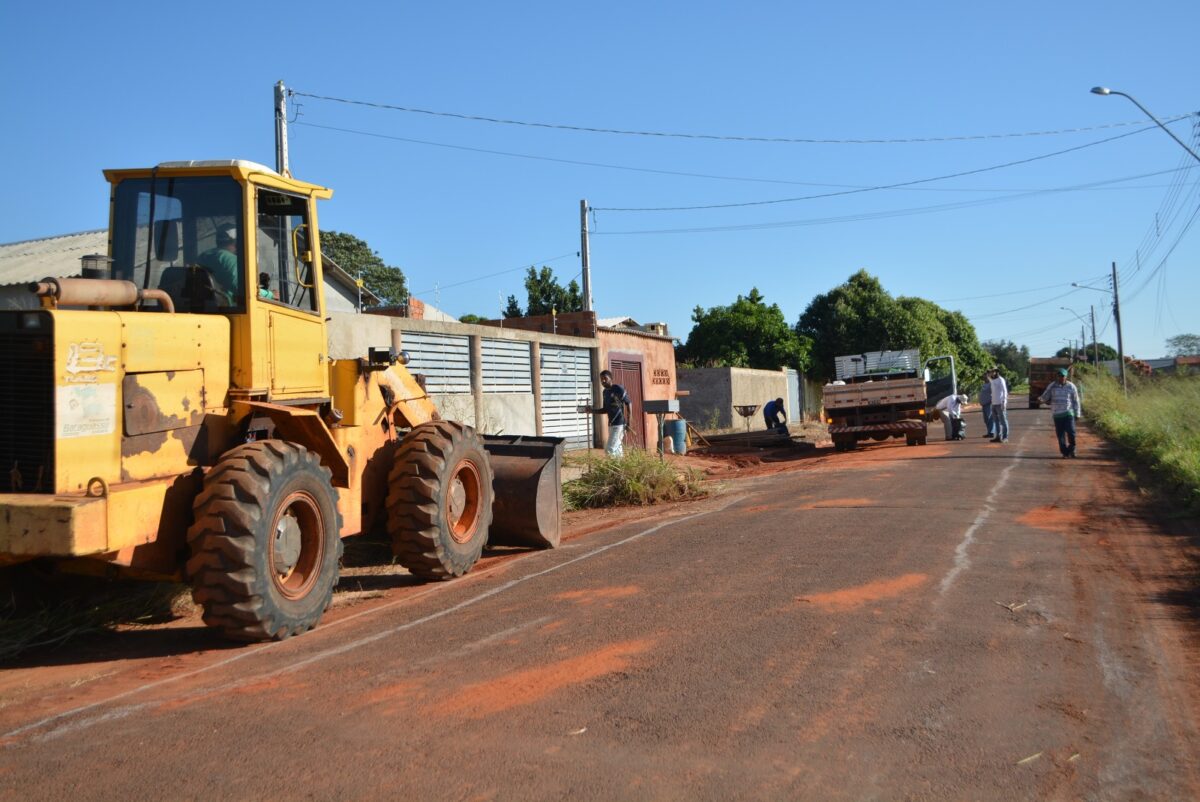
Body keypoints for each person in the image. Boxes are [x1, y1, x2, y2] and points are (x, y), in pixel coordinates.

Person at [586, 370, 632, 457]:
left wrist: (629, 422)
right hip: (611, 424)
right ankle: (620, 469)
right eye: (601, 379)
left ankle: (612, 469)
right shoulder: (605, 392)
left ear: (611, 379)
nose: (603, 381)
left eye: (605, 378)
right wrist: (591, 411)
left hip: (619, 424)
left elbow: (628, 403)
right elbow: (605, 409)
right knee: (617, 449)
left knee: (609, 449)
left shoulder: (618, 389)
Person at [1039, 367, 1082, 458]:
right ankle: (1065, 452)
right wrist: (1041, 399)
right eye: (1059, 376)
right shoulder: (1052, 386)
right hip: (1057, 414)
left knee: (1071, 432)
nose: (1061, 378)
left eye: (1062, 376)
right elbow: (1045, 396)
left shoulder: (1071, 386)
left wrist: (1077, 413)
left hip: (1068, 412)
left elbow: (1076, 400)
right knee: (1060, 435)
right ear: (1057, 377)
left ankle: (1072, 448)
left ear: (1066, 376)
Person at [195, 225, 240, 306]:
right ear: (236, 242)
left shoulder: (204, 256)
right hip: (226, 309)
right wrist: (267, 294)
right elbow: (245, 291)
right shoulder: (231, 260)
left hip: (202, 305)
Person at [988, 367, 1009, 443]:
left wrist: (1004, 402)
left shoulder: (1001, 380)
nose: (990, 373)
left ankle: (1005, 437)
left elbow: (1005, 391)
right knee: (996, 421)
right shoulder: (992, 380)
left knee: (1003, 421)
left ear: (996, 372)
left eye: (992, 372)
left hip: (1000, 403)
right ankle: (998, 437)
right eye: (990, 372)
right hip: (993, 403)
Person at [978, 374, 994, 438]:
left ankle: (991, 432)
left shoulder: (991, 384)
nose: (984, 379)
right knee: (986, 419)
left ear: (989, 377)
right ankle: (989, 431)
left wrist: (991, 401)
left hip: (989, 403)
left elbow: (993, 393)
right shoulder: (984, 384)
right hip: (984, 404)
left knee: (990, 418)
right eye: (984, 377)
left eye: (986, 377)